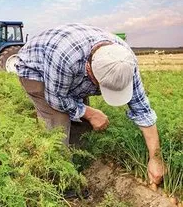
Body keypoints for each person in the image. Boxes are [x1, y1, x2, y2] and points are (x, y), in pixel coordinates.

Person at [15, 23, 164, 186]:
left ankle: (79, 165)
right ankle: (59, 180)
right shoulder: (66, 58)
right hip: (37, 70)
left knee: (81, 122)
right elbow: (56, 99)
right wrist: (90, 112)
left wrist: (155, 158)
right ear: (89, 70)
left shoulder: (125, 62)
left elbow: (142, 110)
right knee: (57, 125)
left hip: (69, 72)